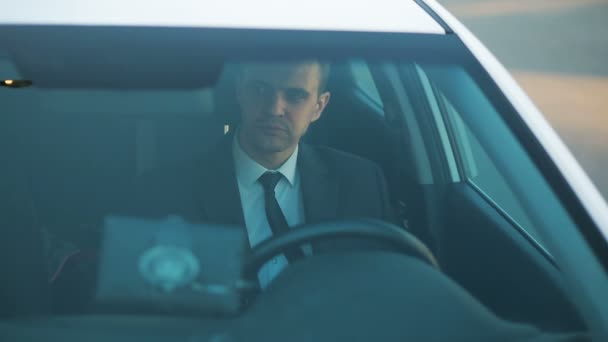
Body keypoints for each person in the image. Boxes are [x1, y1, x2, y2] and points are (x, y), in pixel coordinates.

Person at [135, 60, 395, 287]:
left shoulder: (361, 183)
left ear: (319, 106)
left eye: (294, 96)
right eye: (259, 90)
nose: (273, 109)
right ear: (239, 90)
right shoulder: (168, 190)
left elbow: (382, 287)